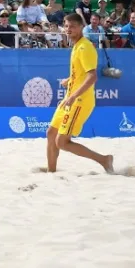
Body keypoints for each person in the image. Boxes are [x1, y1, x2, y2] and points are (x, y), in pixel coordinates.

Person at [46, 13, 114, 174]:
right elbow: (82, 73)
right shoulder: (76, 45)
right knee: (51, 133)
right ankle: (51, 172)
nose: (68, 29)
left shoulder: (84, 46)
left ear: (81, 27)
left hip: (79, 100)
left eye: (73, 26)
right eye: (66, 26)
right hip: (70, 98)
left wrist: (73, 96)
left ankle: (104, 160)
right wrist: (69, 80)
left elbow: (92, 76)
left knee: (62, 142)